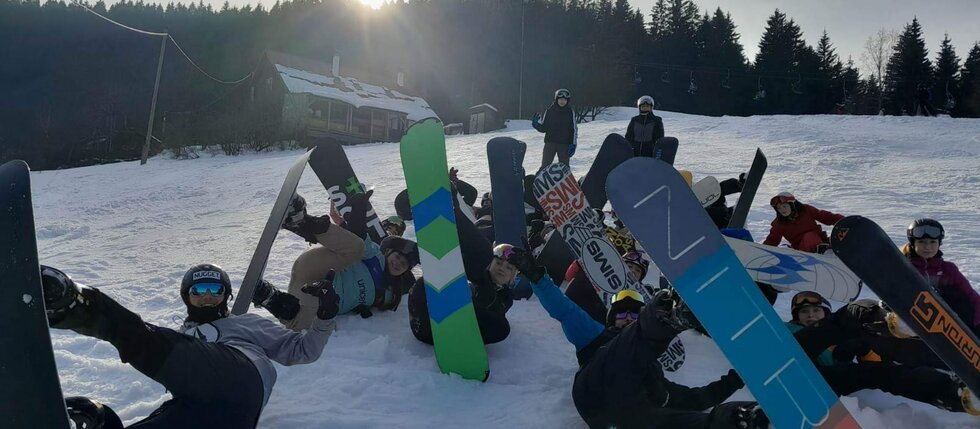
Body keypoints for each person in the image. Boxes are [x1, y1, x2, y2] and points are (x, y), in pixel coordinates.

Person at [41, 263, 339, 428]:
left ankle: (74, 305)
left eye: (215, 289)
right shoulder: (182, 339)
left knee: (146, 339)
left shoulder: (245, 324)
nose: (207, 296)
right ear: (187, 296)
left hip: (242, 377)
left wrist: (325, 317)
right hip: (221, 415)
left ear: (226, 296)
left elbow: (303, 350)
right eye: (199, 290)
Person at [505, 247, 770, 428]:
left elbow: (696, 398)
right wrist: (537, 277)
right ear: (611, 319)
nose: (629, 318)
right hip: (594, 395)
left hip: (628, 419)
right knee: (623, 349)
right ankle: (669, 317)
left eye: (635, 314)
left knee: (683, 419)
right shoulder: (596, 335)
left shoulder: (651, 368)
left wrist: (735, 379)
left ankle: (745, 419)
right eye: (623, 314)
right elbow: (564, 310)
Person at [787, 291, 979, 415]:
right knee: (852, 313)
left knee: (884, 373)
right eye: (804, 312)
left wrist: (862, 347)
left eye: (816, 310)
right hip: (789, 358)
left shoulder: (838, 338)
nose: (810, 315)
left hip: (825, 380)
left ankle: (956, 395)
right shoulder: (785, 331)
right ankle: (884, 319)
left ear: (825, 313)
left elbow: (871, 359)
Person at [259, 192, 419, 330]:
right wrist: (359, 209)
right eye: (397, 257)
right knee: (357, 247)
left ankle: (267, 295)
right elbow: (359, 235)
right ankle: (300, 221)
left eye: (403, 264)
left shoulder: (391, 294)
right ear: (389, 252)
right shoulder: (377, 257)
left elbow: (416, 288)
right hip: (316, 268)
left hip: (312, 293)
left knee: (303, 323)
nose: (398, 263)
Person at [901, 219, 980, 335]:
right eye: (922, 242)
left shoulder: (948, 269)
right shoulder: (903, 268)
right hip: (909, 322)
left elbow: (972, 297)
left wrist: (978, 324)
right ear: (913, 243)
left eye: (933, 242)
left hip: (946, 329)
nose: (928, 247)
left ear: (939, 243)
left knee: (957, 295)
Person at [763, 192, 844, 253]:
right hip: (803, 252)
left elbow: (826, 217)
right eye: (779, 208)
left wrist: (844, 221)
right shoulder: (779, 223)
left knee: (840, 235)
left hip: (822, 242)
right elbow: (772, 240)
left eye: (784, 206)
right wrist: (762, 252)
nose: (782, 210)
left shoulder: (806, 210)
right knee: (809, 237)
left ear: (792, 204)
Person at [532, 88, 577, 168]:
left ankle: (565, 177)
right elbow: (544, 128)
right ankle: (541, 176)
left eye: (564, 100)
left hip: (564, 144)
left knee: (564, 167)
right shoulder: (549, 111)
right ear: (557, 99)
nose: (562, 101)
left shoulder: (570, 112)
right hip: (550, 143)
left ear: (567, 101)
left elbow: (573, 129)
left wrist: (573, 144)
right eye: (560, 99)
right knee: (545, 165)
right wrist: (535, 124)